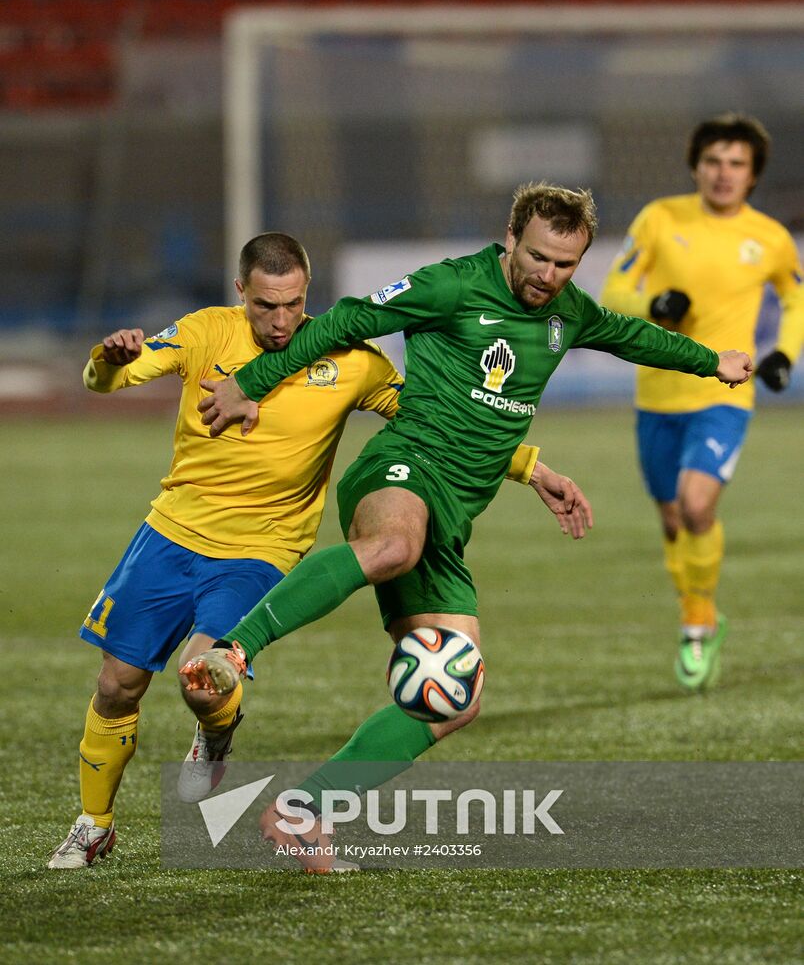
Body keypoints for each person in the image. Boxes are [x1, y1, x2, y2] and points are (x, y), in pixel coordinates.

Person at [180, 182, 753, 872]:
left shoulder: (567, 313)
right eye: (538, 257)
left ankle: (304, 812)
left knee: (454, 697)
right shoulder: (451, 286)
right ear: (511, 239)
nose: (548, 276)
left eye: (565, 264)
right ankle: (236, 651)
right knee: (393, 544)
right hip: (402, 466)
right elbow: (347, 320)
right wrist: (254, 381)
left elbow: (632, 336)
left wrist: (710, 362)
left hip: (453, 516)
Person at [48, 230, 560, 870]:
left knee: (201, 681)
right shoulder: (205, 332)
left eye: (293, 304)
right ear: (242, 293)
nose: (282, 320)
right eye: (266, 306)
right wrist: (107, 356)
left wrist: (528, 466)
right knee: (117, 685)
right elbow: (108, 379)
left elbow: (430, 421)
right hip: (171, 532)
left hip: (263, 549)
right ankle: (95, 824)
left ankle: (214, 730)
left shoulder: (350, 359)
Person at [599, 113, 804, 691]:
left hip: (726, 394)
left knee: (695, 505)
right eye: (713, 161)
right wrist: (655, 303)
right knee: (671, 521)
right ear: (696, 165)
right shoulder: (660, 219)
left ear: (753, 175)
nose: (723, 173)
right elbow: (615, 290)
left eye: (736, 164)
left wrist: (783, 353)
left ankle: (696, 626)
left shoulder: (769, 238)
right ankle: (700, 615)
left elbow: (795, 298)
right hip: (657, 394)